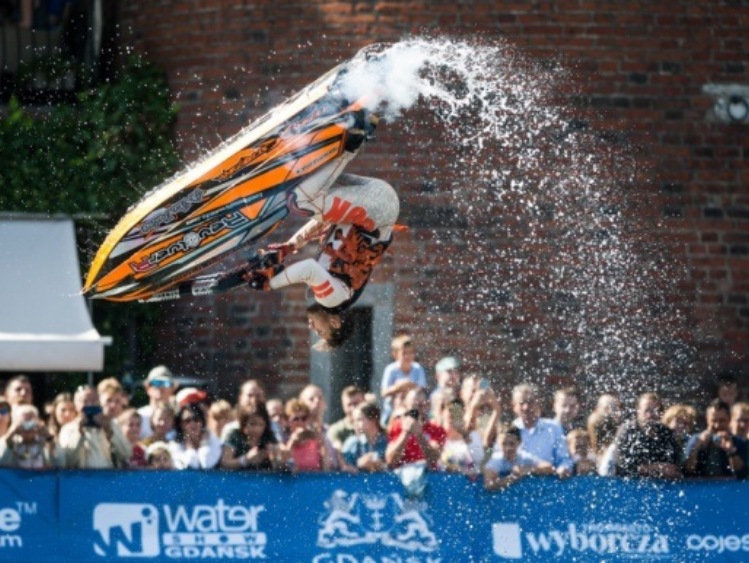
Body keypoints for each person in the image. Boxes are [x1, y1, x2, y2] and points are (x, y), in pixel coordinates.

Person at [235, 118, 399, 350]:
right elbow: (308, 270)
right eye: (321, 331)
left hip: (378, 202)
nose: (312, 328)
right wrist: (271, 283)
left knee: (304, 179)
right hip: (378, 209)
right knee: (300, 200)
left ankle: (354, 130)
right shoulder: (332, 300)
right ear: (335, 321)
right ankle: (352, 141)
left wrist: (290, 246)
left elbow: (327, 219)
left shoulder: (340, 289)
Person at [58, 385, 132, 469]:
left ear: (99, 402)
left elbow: (126, 453)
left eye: (94, 401)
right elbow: (67, 461)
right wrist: (79, 433)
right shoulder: (68, 429)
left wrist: (109, 431)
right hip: (80, 478)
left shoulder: (111, 424)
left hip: (107, 478)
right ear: (76, 405)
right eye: (85, 401)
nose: (90, 405)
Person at [612, 392, 682, 479]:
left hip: (660, 484)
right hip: (630, 483)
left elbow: (675, 463)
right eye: (646, 410)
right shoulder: (627, 431)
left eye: (655, 411)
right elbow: (623, 466)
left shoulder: (665, 432)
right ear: (638, 411)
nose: (650, 415)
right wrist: (656, 467)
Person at [511, 383, 573, 478]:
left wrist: (564, 468)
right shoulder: (509, 430)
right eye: (522, 403)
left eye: (530, 402)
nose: (526, 407)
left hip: (546, 485)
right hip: (515, 486)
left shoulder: (553, 428)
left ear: (537, 403)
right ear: (514, 406)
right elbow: (500, 463)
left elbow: (565, 460)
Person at [684, 399, 747, 479]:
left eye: (722, 421)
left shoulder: (738, 442)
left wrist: (731, 451)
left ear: (729, 419)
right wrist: (697, 447)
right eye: (713, 421)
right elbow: (688, 469)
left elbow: (742, 473)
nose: (717, 425)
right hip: (701, 487)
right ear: (707, 419)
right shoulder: (696, 439)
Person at [386, 386, 446, 469]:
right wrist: (405, 433)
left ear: (428, 405)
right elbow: (391, 460)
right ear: (406, 406)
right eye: (414, 406)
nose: (417, 410)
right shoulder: (397, 426)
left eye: (421, 405)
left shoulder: (436, 429)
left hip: (428, 477)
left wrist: (420, 435)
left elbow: (434, 459)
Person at [483, 425, 552, 491]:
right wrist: (512, 477)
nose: (508, 448)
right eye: (504, 444)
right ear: (498, 444)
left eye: (511, 444)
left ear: (519, 443)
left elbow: (549, 467)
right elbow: (489, 485)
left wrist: (528, 469)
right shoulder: (496, 461)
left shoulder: (523, 457)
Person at [380, 335, 427, 424]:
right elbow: (384, 392)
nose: (408, 356)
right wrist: (399, 387)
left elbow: (422, 389)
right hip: (392, 412)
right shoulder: (390, 369)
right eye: (404, 353)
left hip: (412, 410)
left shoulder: (418, 368)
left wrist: (407, 386)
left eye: (411, 352)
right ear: (395, 354)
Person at [221, 402, 280, 471]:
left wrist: (274, 458)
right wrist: (245, 460)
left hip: (264, 480)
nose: (257, 429)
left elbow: (279, 467)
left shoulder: (269, 436)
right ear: (243, 423)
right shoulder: (234, 435)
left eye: (261, 425)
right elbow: (224, 463)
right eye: (252, 424)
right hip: (238, 479)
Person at [299, 383, 343, 469]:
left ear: (325, 404)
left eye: (320, 398)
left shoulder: (331, 431)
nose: (317, 401)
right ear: (302, 404)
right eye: (311, 399)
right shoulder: (300, 433)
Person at [168, 403, 222, 470]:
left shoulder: (212, 439)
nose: (192, 424)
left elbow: (206, 464)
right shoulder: (175, 444)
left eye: (196, 419)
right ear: (180, 425)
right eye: (187, 421)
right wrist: (190, 447)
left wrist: (204, 443)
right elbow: (192, 465)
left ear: (202, 422)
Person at [438, 396, 483, 477]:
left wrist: (463, 433)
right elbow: (433, 463)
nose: (453, 416)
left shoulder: (473, 436)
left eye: (457, 412)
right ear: (443, 414)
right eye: (450, 411)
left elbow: (479, 459)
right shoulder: (437, 437)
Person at [283, 399, 331, 472]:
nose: (300, 422)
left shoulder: (315, 440)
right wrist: (291, 443)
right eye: (296, 419)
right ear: (288, 421)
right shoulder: (284, 439)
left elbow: (327, 467)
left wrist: (322, 444)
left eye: (304, 418)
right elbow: (284, 465)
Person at [341, 402, 388, 472]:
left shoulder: (388, 441)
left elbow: (395, 467)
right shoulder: (351, 443)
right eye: (354, 420)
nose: (355, 424)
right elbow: (343, 468)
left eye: (359, 420)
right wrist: (358, 465)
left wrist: (382, 466)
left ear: (373, 420)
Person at [138, 366, 178, 439]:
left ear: (173, 388)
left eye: (166, 383)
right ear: (147, 387)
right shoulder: (139, 416)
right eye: (156, 383)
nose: (161, 387)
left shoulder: (178, 416)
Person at [327, 385, 365, 450]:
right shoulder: (336, 430)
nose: (353, 408)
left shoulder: (374, 426)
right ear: (343, 406)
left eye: (356, 404)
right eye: (349, 405)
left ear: (364, 403)